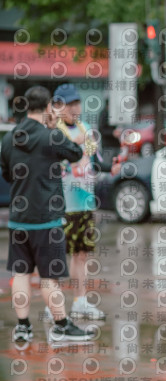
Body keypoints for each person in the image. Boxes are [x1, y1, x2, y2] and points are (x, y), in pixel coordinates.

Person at [1, 86, 95, 342]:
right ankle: (62, 325)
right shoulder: (50, 136)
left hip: (18, 220)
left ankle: (23, 326)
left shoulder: (9, 138)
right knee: (48, 277)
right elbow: (76, 153)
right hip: (46, 219)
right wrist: (53, 127)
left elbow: (6, 174)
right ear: (47, 108)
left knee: (21, 274)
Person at [53, 83, 105, 320]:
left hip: (85, 202)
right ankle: (53, 304)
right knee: (57, 255)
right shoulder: (56, 131)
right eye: (69, 104)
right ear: (58, 107)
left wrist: (110, 167)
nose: (75, 108)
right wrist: (77, 142)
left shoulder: (85, 128)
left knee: (82, 254)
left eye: (77, 103)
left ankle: (80, 301)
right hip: (64, 204)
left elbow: (95, 160)